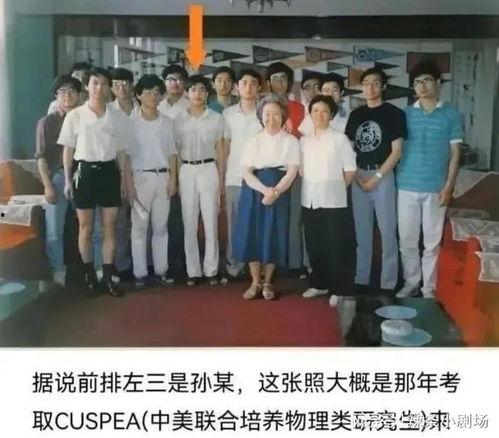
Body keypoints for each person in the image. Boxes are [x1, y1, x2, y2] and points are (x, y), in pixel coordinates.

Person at [58, 67, 130, 296]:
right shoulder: (75, 115)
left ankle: (108, 275)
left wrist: (123, 179)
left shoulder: (117, 116)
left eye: (103, 84)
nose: (99, 88)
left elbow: (122, 152)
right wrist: (68, 180)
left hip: (109, 172)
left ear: (109, 87)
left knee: (110, 226)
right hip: (84, 172)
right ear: (87, 86)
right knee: (85, 227)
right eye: (95, 83)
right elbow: (68, 151)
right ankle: (89, 273)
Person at [396, 61, 462, 299]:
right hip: (406, 184)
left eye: (427, 81)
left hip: (436, 186)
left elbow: (455, 153)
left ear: (438, 83)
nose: (422, 86)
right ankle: (411, 282)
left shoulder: (451, 113)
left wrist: (449, 185)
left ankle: (429, 289)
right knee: (407, 240)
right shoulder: (405, 114)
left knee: (432, 242)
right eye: (417, 82)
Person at [345, 67, 406, 294]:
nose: (370, 88)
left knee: (388, 231)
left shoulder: (394, 113)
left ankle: (388, 283)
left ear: (383, 86)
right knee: (362, 233)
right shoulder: (356, 115)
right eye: (365, 83)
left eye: (375, 83)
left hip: (384, 177)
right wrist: (357, 176)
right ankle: (361, 279)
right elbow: (349, 151)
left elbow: (397, 151)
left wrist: (377, 177)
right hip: (359, 176)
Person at [233, 94, 299, 300]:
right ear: (261, 116)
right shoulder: (254, 140)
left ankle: (268, 282)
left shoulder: (291, 141)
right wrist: (265, 190)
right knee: (252, 234)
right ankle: (255, 282)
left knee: (273, 235)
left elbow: (292, 171)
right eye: (267, 114)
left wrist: (276, 191)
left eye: (276, 114)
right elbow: (246, 172)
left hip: (280, 191)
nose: (271, 119)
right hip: (254, 190)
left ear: (283, 116)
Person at [300, 95, 357, 306]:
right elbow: (301, 170)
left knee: (336, 245)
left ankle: (339, 288)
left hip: (334, 201)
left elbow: (350, 170)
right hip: (310, 198)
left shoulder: (339, 139)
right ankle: (319, 283)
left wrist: (336, 188)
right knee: (315, 243)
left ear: (332, 115)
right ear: (310, 114)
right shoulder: (304, 141)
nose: (320, 115)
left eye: (324, 111)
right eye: (315, 111)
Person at [126, 74, 177, 288]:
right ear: (138, 95)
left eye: (157, 92)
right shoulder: (131, 123)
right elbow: (125, 157)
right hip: (140, 178)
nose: (153, 96)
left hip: (163, 177)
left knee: (161, 227)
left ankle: (161, 270)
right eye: (147, 92)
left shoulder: (168, 122)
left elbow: (173, 153)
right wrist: (129, 185)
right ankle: (140, 273)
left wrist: (173, 179)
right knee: (139, 228)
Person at [176, 75, 224, 286]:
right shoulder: (178, 120)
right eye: (193, 89)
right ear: (187, 93)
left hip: (209, 169)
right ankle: (193, 271)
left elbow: (220, 150)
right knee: (189, 222)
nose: (197, 93)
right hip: (186, 169)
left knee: (211, 221)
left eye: (202, 90)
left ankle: (211, 270)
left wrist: (221, 177)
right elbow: (175, 151)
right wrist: (176, 179)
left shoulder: (216, 118)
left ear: (207, 94)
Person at [36, 75, 82, 286]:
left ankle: (96, 269)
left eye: (71, 91)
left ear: (79, 95)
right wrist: (47, 185)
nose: (67, 95)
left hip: (84, 176)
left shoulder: (86, 119)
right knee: (54, 231)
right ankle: (58, 271)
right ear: (56, 96)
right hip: (58, 177)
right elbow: (41, 157)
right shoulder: (47, 122)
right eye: (62, 92)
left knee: (93, 228)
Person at [265, 61, 305, 275]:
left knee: (294, 218)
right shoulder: (263, 107)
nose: (279, 83)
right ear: (268, 83)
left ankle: (295, 264)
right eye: (275, 79)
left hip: (295, 170)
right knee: (272, 218)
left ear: (289, 83)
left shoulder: (299, 108)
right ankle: (271, 263)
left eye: (283, 79)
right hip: (270, 172)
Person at [223, 69, 263, 280]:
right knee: (235, 224)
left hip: (259, 178)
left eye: (253, 83)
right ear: (237, 87)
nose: (248, 87)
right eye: (244, 83)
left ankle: (257, 266)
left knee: (258, 223)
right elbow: (223, 147)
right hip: (234, 177)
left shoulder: (264, 114)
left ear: (259, 88)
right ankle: (234, 264)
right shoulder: (227, 114)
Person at [158, 64, 190, 277]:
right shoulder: (156, 105)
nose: (175, 83)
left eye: (179, 79)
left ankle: (179, 262)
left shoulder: (191, 106)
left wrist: (176, 177)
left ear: (184, 82)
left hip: (183, 169)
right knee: (160, 222)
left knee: (180, 220)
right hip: (158, 169)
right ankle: (162, 264)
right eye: (170, 79)